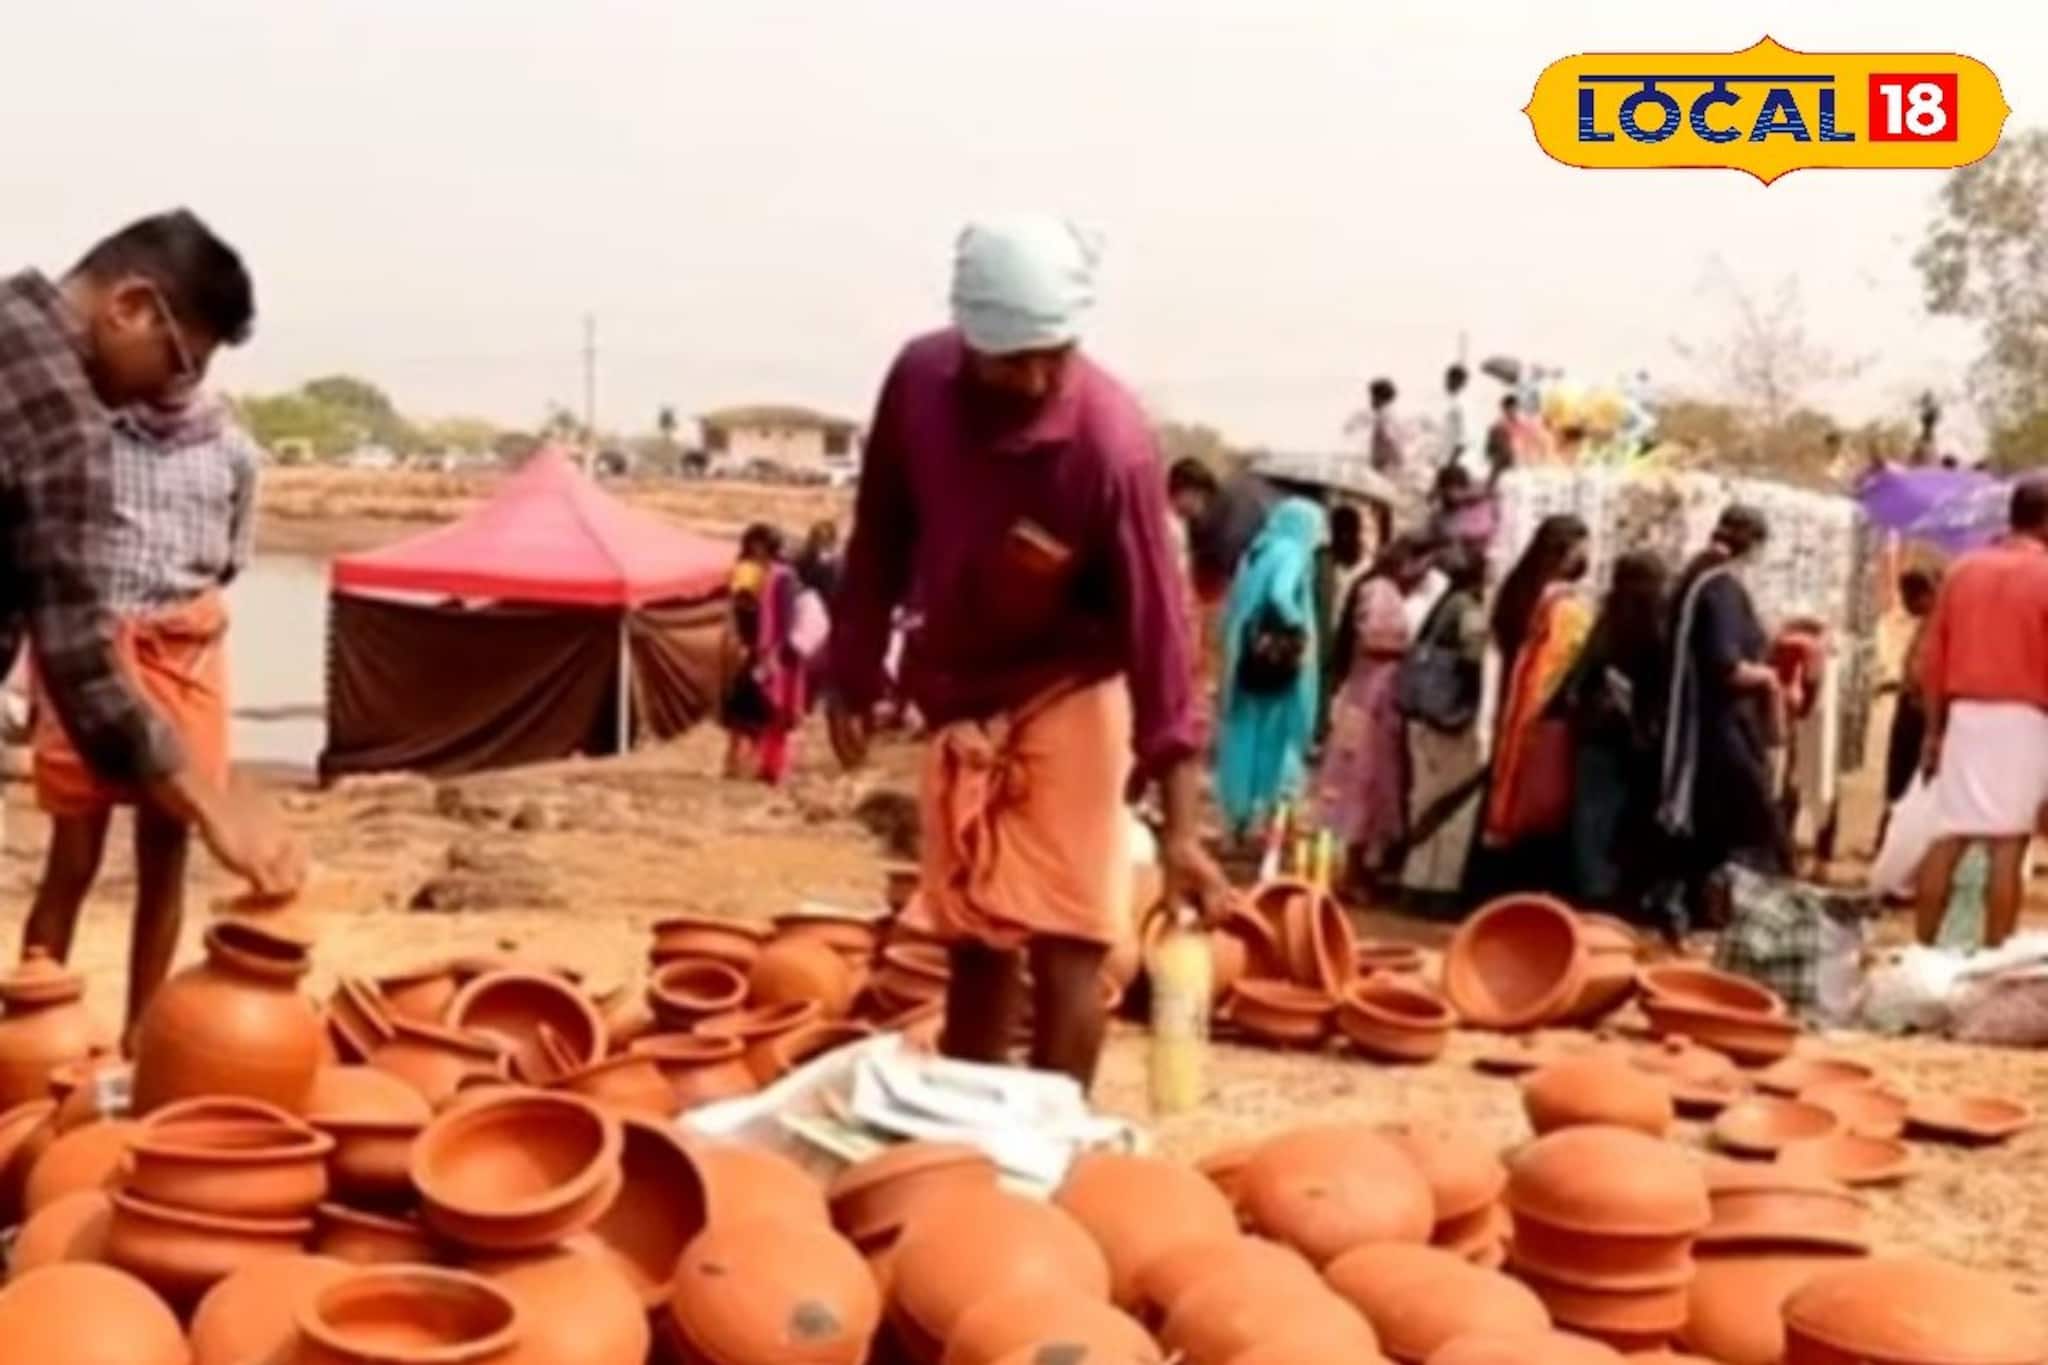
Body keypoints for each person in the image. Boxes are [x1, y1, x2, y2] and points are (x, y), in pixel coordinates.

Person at [829, 215, 1231, 1088]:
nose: (1038, 375)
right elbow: (880, 533)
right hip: (960, 687)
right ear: (966, 336)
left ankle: (1050, 1140)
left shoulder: (1109, 442)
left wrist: (1183, 830)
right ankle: (977, 1129)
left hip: (1070, 686)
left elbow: (1160, 632)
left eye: (1056, 351)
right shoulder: (918, 383)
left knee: (1068, 941)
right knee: (973, 934)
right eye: (1012, 358)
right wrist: (853, 671)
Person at [0, 210, 301, 911]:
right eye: (180, 360)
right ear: (130, 307)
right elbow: (79, 657)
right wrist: (210, 804)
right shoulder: (67, 421)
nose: (172, 387)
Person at [22, 395, 257, 1027]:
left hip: (183, 657)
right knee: (73, 855)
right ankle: (32, 1022)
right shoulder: (92, 440)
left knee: (167, 845)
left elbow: (232, 558)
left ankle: (141, 1036)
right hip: (94, 656)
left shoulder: (235, 451)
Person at [1912, 481, 2048, 949]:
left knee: (1948, 836)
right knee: (2008, 846)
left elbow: (1932, 660)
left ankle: (1922, 954)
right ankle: (1993, 959)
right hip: (2023, 722)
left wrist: (1933, 732)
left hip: (1964, 717)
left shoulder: (1962, 571)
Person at [1659, 506, 1791, 926]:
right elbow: (1727, 666)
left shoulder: (1695, 580)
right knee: (1753, 825)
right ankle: (1749, 922)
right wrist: (1770, 679)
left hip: (1702, 729)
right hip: (1722, 728)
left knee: (1714, 829)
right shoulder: (1722, 589)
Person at [1477, 514, 1593, 887]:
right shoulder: (1564, 607)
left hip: (1510, 703)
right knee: (1540, 801)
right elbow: (1561, 665)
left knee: (1508, 789)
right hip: (1541, 715)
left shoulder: (1519, 590)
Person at [1319, 535, 1431, 893]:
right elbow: (1370, 637)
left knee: (1375, 785)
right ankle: (1354, 872)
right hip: (1367, 702)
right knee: (1361, 784)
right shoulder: (1379, 589)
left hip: (1376, 701)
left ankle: (1364, 867)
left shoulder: (1386, 590)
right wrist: (1408, 648)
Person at [1564, 551, 1670, 921]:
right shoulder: (1659, 626)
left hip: (1599, 730)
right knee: (1626, 813)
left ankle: (1594, 890)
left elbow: (1582, 676)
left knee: (1593, 812)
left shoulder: (1608, 621)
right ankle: (1620, 890)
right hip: (1639, 738)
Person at [1215, 498, 1327, 842]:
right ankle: (1272, 814)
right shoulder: (1292, 553)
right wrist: (1299, 627)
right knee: (1279, 735)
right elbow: (1280, 594)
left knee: (1243, 734)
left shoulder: (1258, 551)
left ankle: (1237, 817)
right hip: (1278, 663)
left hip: (1247, 659)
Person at [1396, 542, 1488, 912]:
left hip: (1422, 716)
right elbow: (1472, 659)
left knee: (1425, 802)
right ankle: (1439, 891)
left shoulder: (1441, 607)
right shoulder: (1468, 611)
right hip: (1448, 720)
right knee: (1453, 809)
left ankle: (1415, 884)